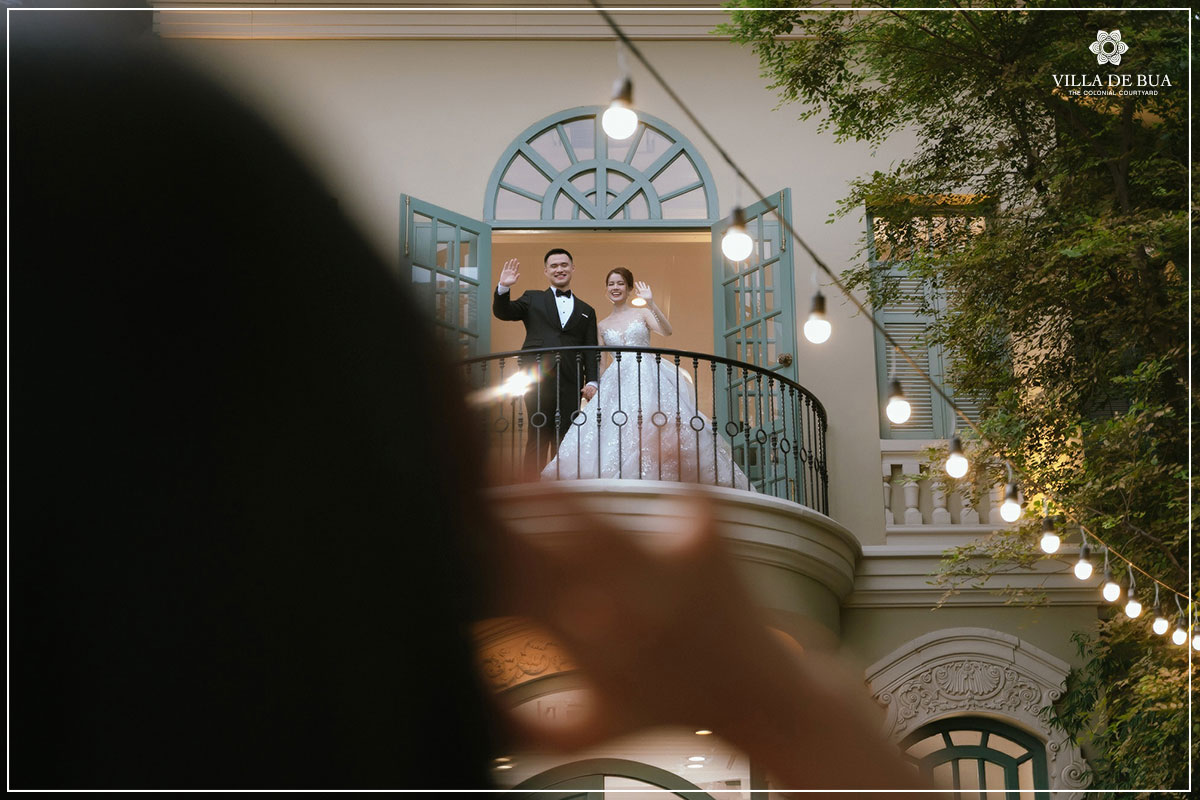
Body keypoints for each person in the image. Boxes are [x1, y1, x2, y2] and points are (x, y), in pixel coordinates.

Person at [10, 15, 931, 794]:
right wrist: (801, 723)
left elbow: (597, 354)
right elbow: (514, 319)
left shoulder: (601, 314)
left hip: (591, 396)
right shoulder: (536, 306)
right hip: (564, 405)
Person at [542, 268, 752, 489]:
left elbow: (666, 330)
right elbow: (601, 362)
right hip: (618, 378)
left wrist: (651, 303)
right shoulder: (602, 325)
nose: (615, 288)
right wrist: (596, 386)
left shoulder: (641, 313)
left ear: (629, 289)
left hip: (647, 373)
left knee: (653, 420)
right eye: (611, 284)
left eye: (620, 283)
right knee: (616, 425)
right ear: (606, 289)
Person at [492, 250, 599, 476]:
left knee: (566, 435)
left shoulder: (587, 310)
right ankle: (531, 486)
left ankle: (561, 485)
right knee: (538, 431)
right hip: (537, 375)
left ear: (572, 268)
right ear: (546, 271)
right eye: (554, 266)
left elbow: (590, 349)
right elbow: (503, 312)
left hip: (571, 378)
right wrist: (503, 287)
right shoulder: (532, 298)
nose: (559, 269)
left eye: (564, 265)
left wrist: (592, 381)